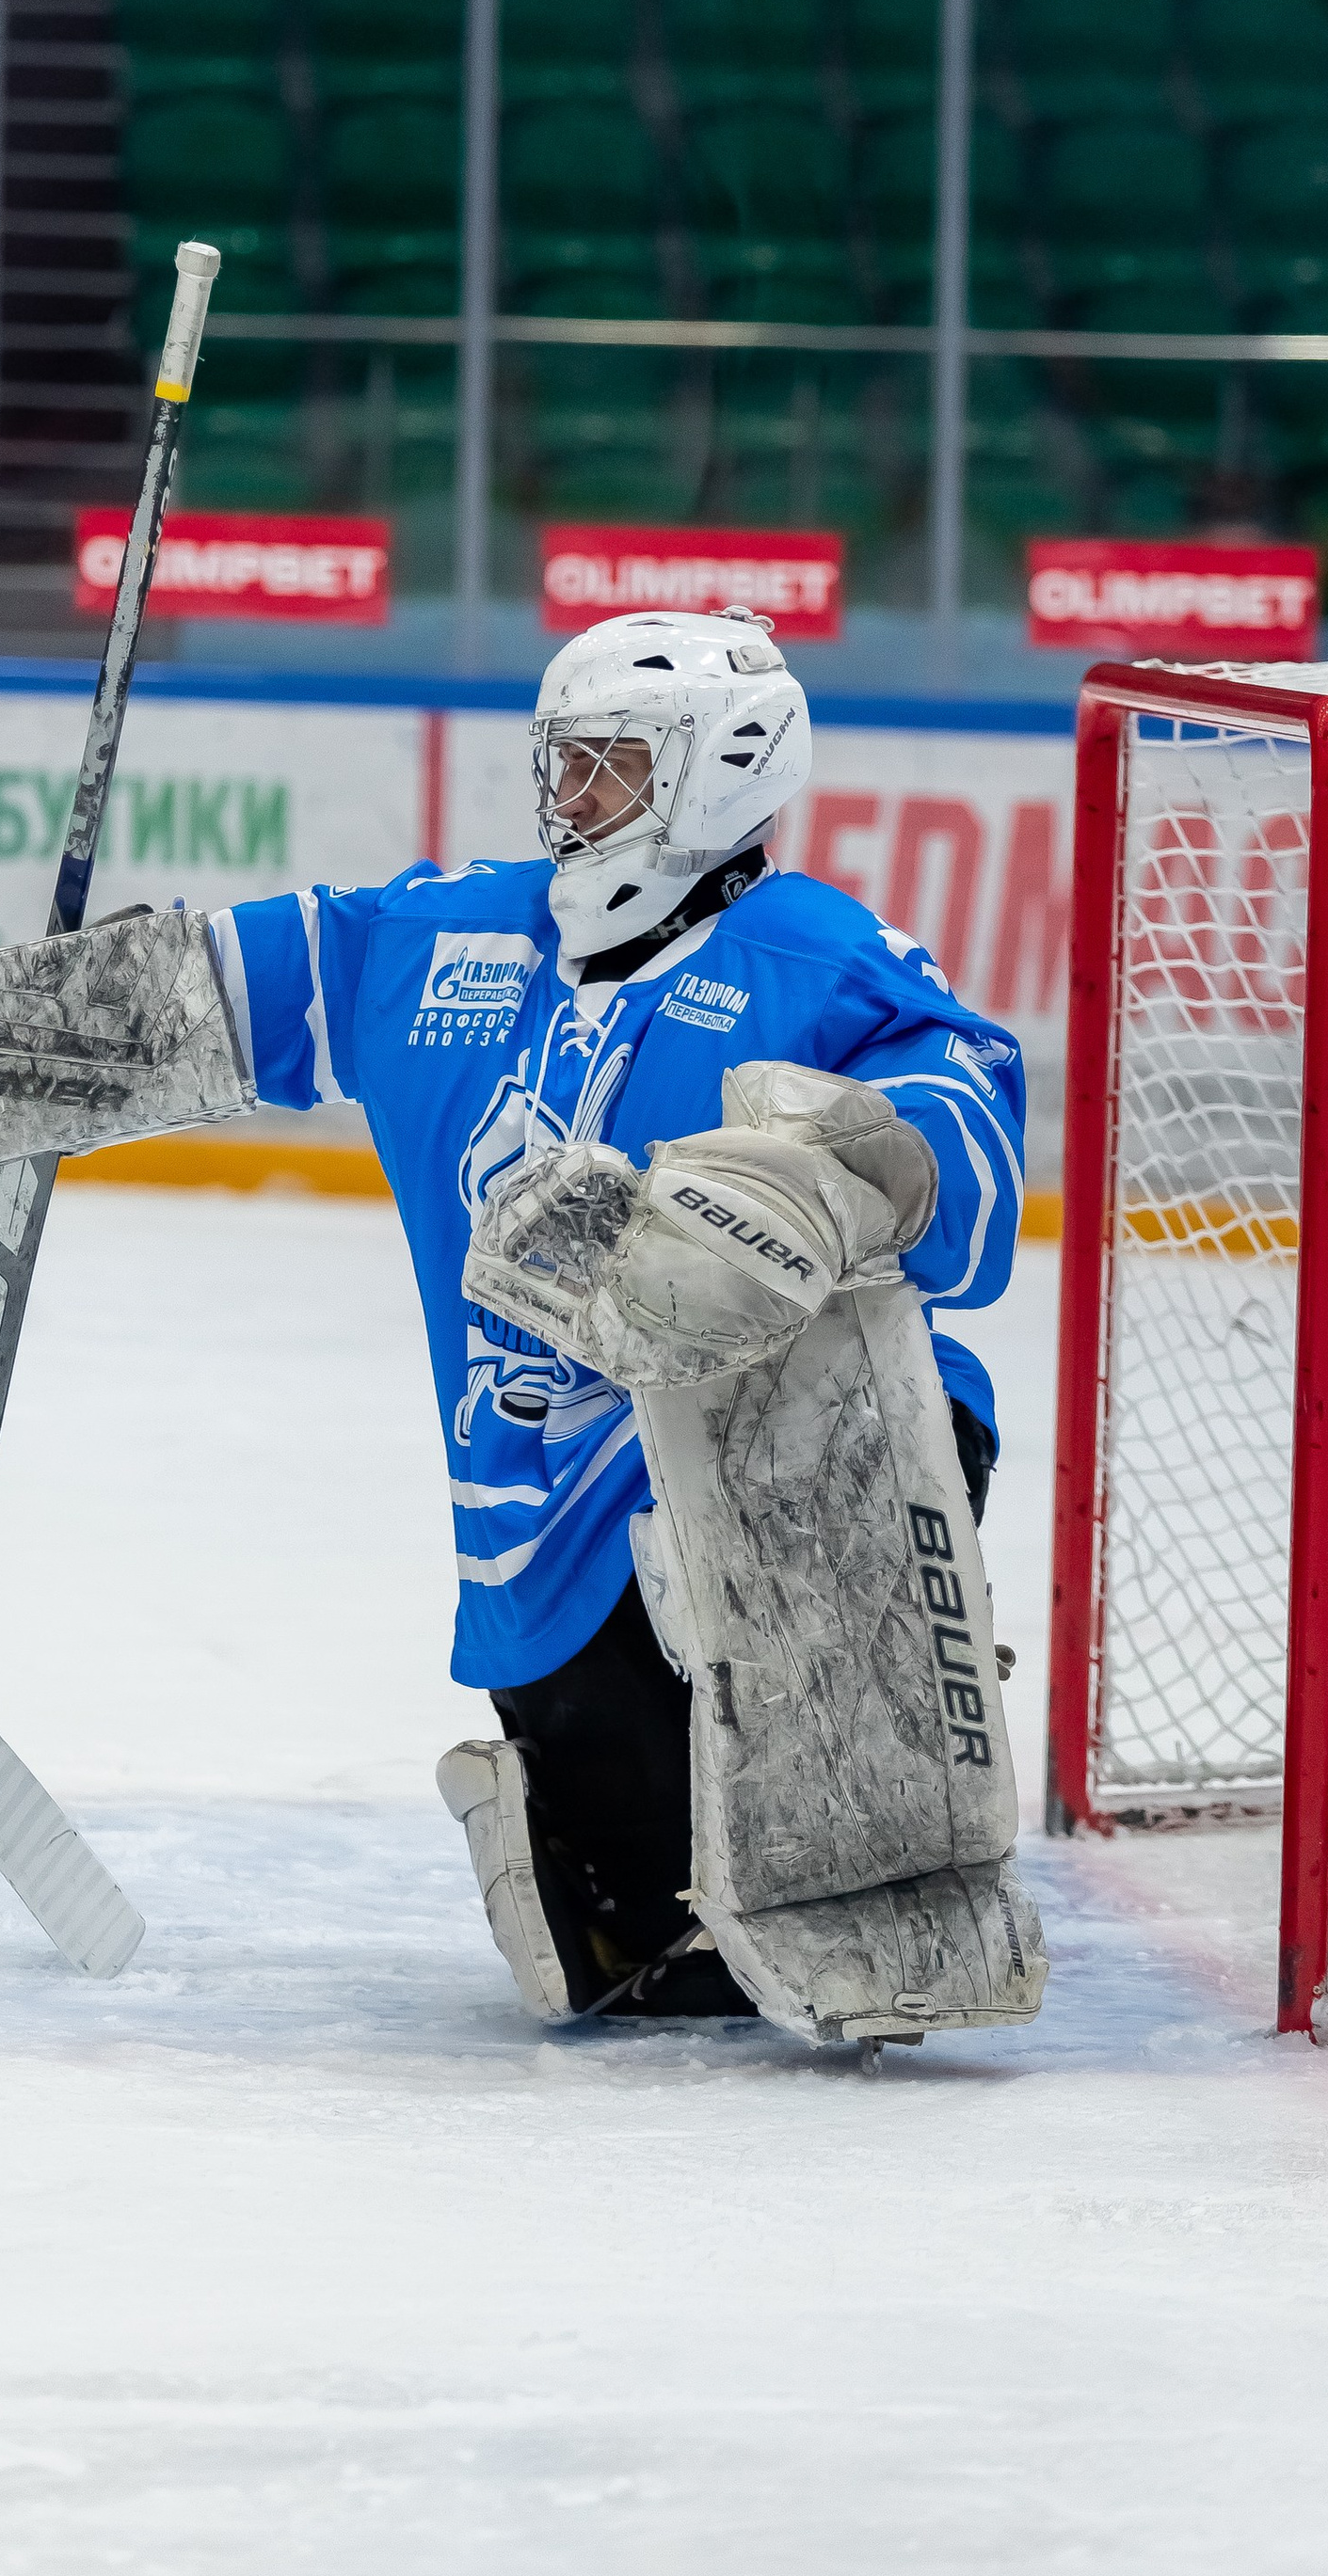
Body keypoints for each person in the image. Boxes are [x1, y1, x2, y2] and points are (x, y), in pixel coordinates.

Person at [203, 606, 1026, 2021]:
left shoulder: (818, 959)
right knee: (654, 1936)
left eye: (612, 767)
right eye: (562, 765)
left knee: (833, 1504)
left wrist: (845, 1178)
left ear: (722, 773)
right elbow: (231, 983)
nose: (570, 801)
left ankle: (893, 1746)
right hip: (541, 1513)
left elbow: (970, 1137)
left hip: (792, 1450)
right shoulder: (450, 938)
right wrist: (22, 1040)